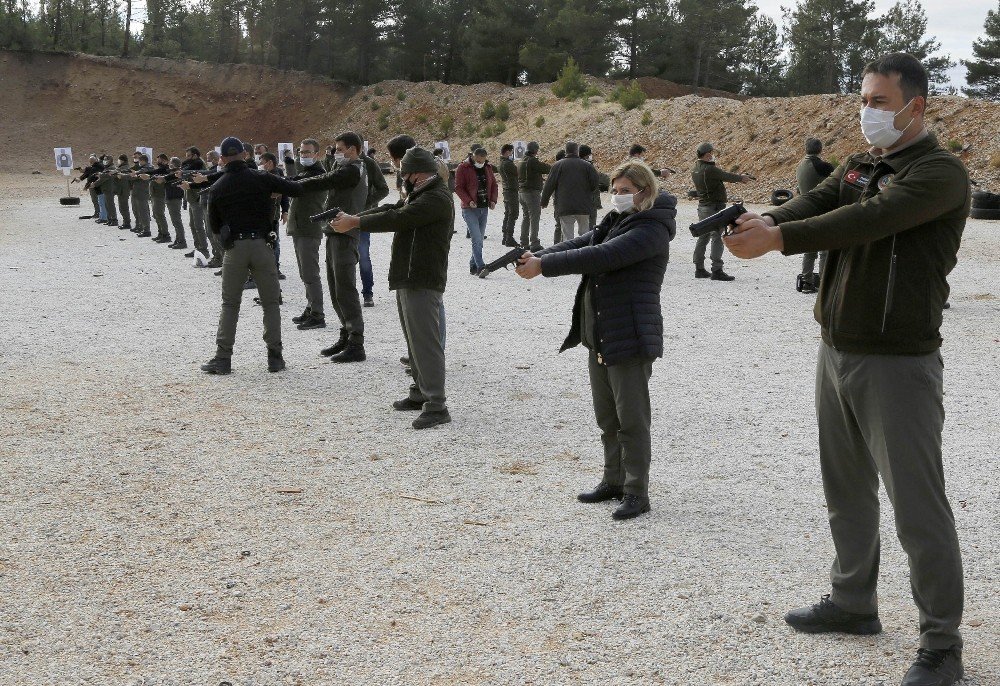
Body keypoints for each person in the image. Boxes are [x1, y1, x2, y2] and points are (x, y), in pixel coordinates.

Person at [724, 53, 968, 686]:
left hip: (898, 361)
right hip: (837, 348)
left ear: (916, 105)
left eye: (879, 102)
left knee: (917, 507)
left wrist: (776, 241)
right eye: (863, 100)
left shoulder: (939, 174)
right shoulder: (862, 165)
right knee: (846, 490)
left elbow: (868, 220)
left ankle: (942, 643)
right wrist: (767, 219)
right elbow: (821, 199)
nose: (867, 112)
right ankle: (853, 602)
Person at [514, 161, 675, 521]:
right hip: (602, 334)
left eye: (625, 190)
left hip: (629, 334)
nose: (618, 196)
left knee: (631, 420)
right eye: (614, 190)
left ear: (645, 191)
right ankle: (613, 480)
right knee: (607, 417)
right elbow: (585, 241)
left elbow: (603, 255)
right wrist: (542, 255)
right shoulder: (619, 220)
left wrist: (544, 267)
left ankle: (637, 491)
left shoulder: (652, 227)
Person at [328, 146, 453, 430]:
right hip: (411, 276)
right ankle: (420, 393)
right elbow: (391, 209)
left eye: (404, 172)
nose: (401, 177)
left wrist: (355, 222)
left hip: (421, 278)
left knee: (425, 344)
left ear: (416, 173)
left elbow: (397, 218)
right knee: (414, 341)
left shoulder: (436, 198)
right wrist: (354, 217)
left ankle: (437, 405)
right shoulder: (423, 193)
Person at [200, 136, 303, 375]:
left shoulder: (218, 187)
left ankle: (223, 358)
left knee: (230, 304)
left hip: (235, 248)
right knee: (271, 303)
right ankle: (275, 357)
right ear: (245, 155)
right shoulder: (262, 178)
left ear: (223, 159)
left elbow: (213, 226)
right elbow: (296, 188)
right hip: (263, 245)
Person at [298, 131, 369, 363]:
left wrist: (295, 185)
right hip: (336, 232)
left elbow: (324, 181)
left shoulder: (352, 169)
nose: (336, 153)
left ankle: (356, 342)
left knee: (345, 289)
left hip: (345, 234)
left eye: (340, 149)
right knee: (336, 288)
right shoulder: (351, 169)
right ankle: (347, 334)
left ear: (353, 148)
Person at [285, 138, 333, 330]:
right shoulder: (306, 171)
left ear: (316, 154)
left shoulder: (318, 174)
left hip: (309, 228)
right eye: (301, 152)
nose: (303, 155)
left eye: (307, 152)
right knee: (304, 272)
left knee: (310, 273)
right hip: (300, 227)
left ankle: (318, 314)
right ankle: (311, 306)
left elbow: (295, 185)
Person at [691, 142, 750, 281]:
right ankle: (717, 269)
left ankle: (699, 268)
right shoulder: (709, 169)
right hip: (714, 207)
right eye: (710, 153)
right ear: (707, 154)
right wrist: (742, 178)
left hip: (703, 206)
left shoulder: (695, 167)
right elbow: (726, 176)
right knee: (717, 236)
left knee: (703, 237)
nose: (712, 155)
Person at [795, 137, 835, 293]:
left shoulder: (800, 165)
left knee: (809, 248)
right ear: (820, 149)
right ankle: (825, 282)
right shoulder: (822, 166)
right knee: (824, 249)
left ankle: (807, 281)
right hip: (821, 209)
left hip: (805, 209)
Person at [541, 141, 600, 244]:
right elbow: (595, 184)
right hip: (583, 206)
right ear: (577, 151)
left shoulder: (557, 165)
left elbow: (549, 185)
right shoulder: (587, 166)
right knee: (584, 235)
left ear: (566, 151)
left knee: (567, 237)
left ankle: (568, 257)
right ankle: (584, 256)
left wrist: (544, 201)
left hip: (565, 206)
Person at [455, 147, 498, 275]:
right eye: (478, 160)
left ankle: (473, 265)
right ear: (473, 156)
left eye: (483, 161)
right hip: (469, 209)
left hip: (484, 208)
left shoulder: (488, 167)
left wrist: (493, 200)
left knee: (479, 239)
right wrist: (468, 201)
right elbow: (458, 187)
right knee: (477, 238)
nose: (480, 163)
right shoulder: (463, 168)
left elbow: (494, 185)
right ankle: (480, 266)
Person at [359, 146, 391, 306]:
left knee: (363, 256)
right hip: (341, 217)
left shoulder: (369, 164)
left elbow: (383, 189)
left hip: (363, 218)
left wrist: (366, 203)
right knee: (342, 259)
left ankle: (367, 293)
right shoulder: (338, 163)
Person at [260, 152, 290, 277]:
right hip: (268, 215)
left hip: (271, 216)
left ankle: (274, 269)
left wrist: (285, 211)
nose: (260, 165)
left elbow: (284, 194)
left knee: (273, 241)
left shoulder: (274, 176)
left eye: (261, 163)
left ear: (270, 163)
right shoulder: (267, 175)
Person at [517, 141, 550, 252]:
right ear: (535, 150)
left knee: (526, 217)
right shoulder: (532, 161)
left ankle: (523, 242)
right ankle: (534, 242)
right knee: (534, 218)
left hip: (522, 193)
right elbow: (546, 168)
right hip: (531, 193)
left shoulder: (522, 160)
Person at [180, 146, 209, 259]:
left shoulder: (199, 165)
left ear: (195, 155)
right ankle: (198, 248)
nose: (187, 159)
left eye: (189, 156)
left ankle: (203, 250)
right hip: (192, 199)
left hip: (197, 199)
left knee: (198, 225)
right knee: (193, 225)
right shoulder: (192, 164)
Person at [144, 154, 173, 243]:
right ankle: (160, 233)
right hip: (155, 194)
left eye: (159, 160)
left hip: (160, 195)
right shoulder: (160, 169)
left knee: (160, 214)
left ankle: (165, 235)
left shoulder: (166, 169)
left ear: (165, 160)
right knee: (156, 215)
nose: (158, 162)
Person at [580, 145, 610, 230]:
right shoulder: (588, 165)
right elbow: (598, 177)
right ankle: (589, 241)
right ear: (587, 155)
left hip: (578, 200)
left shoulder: (575, 164)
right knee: (591, 224)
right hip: (590, 199)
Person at [497, 144, 520, 246]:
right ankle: (509, 238)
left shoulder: (501, 163)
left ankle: (505, 237)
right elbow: (518, 172)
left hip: (507, 191)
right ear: (508, 152)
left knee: (508, 213)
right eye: (511, 152)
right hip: (511, 191)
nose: (512, 154)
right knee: (513, 213)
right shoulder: (508, 164)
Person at [130, 153, 154, 238]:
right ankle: (140, 227)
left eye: (140, 160)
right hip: (137, 192)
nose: (138, 162)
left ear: (143, 161)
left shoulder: (149, 167)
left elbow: (144, 171)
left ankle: (146, 230)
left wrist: (136, 173)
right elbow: (133, 177)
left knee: (143, 212)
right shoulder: (141, 168)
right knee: (138, 211)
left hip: (142, 193)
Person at [113, 155, 133, 231]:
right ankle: (126, 222)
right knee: (123, 207)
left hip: (123, 190)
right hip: (122, 190)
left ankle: (127, 223)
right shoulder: (123, 168)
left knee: (123, 207)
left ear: (122, 160)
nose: (118, 161)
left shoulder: (124, 168)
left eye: (119, 160)